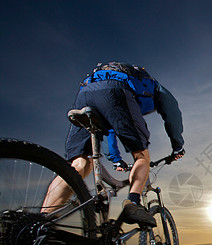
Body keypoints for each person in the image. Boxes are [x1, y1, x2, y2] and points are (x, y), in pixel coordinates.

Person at [41, 62, 185, 226]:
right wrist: (177, 146)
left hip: (85, 94)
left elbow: (110, 128)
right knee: (141, 156)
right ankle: (133, 204)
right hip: (117, 91)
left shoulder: (103, 75)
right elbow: (172, 112)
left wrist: (115, 159)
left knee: (80, 164)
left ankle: (41, 222)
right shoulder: (154, 85)